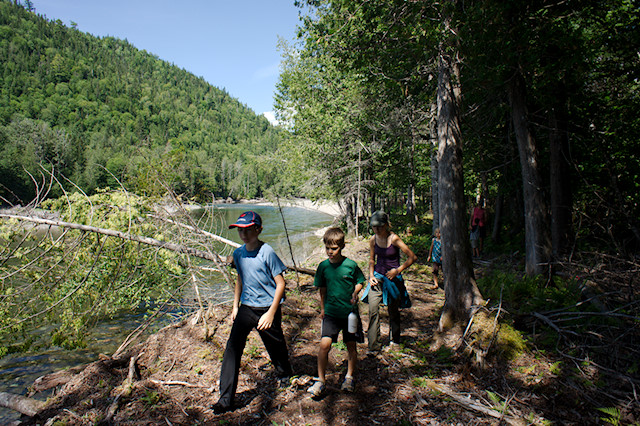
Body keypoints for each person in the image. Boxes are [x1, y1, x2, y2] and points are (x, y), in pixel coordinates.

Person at [211, 211, 292, 414]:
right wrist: (235, 306)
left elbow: (281, 284)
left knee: (276, 345)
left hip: (267, 307)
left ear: (258, 229)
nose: (244, 234)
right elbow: (241, 278)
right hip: (247, 308)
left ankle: (284, 373)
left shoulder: (267, 252)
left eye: (248, 229)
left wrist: (271, 313)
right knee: (232, 348)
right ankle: (225, 399)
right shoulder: (238, 253)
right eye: (240, 230)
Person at [307, 227, 366, 397]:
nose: (330, 252)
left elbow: (360, 281)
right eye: (327, 248)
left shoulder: (351, 265)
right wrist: (323, 308)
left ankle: (349, 378)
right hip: (331, 314)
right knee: (324, 345)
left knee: (351, 346)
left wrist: (355, 292)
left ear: (342, 247)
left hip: (350, 314)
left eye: (334, 249)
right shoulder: (323, 267)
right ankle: (320, 381)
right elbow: (322, 290)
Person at [362, 211, 417, 355]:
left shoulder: (394, 239)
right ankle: (373, 346)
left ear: (386, 225)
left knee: (393, 311)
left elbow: (412, 257)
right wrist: (370, 275)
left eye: (379, 226)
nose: (377, 229)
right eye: (374, 227)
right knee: (373, 310)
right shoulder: (373, 240)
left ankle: (395, 340)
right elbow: (372, 259)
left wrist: (397, 270)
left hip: (392, 280)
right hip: (377, 278)